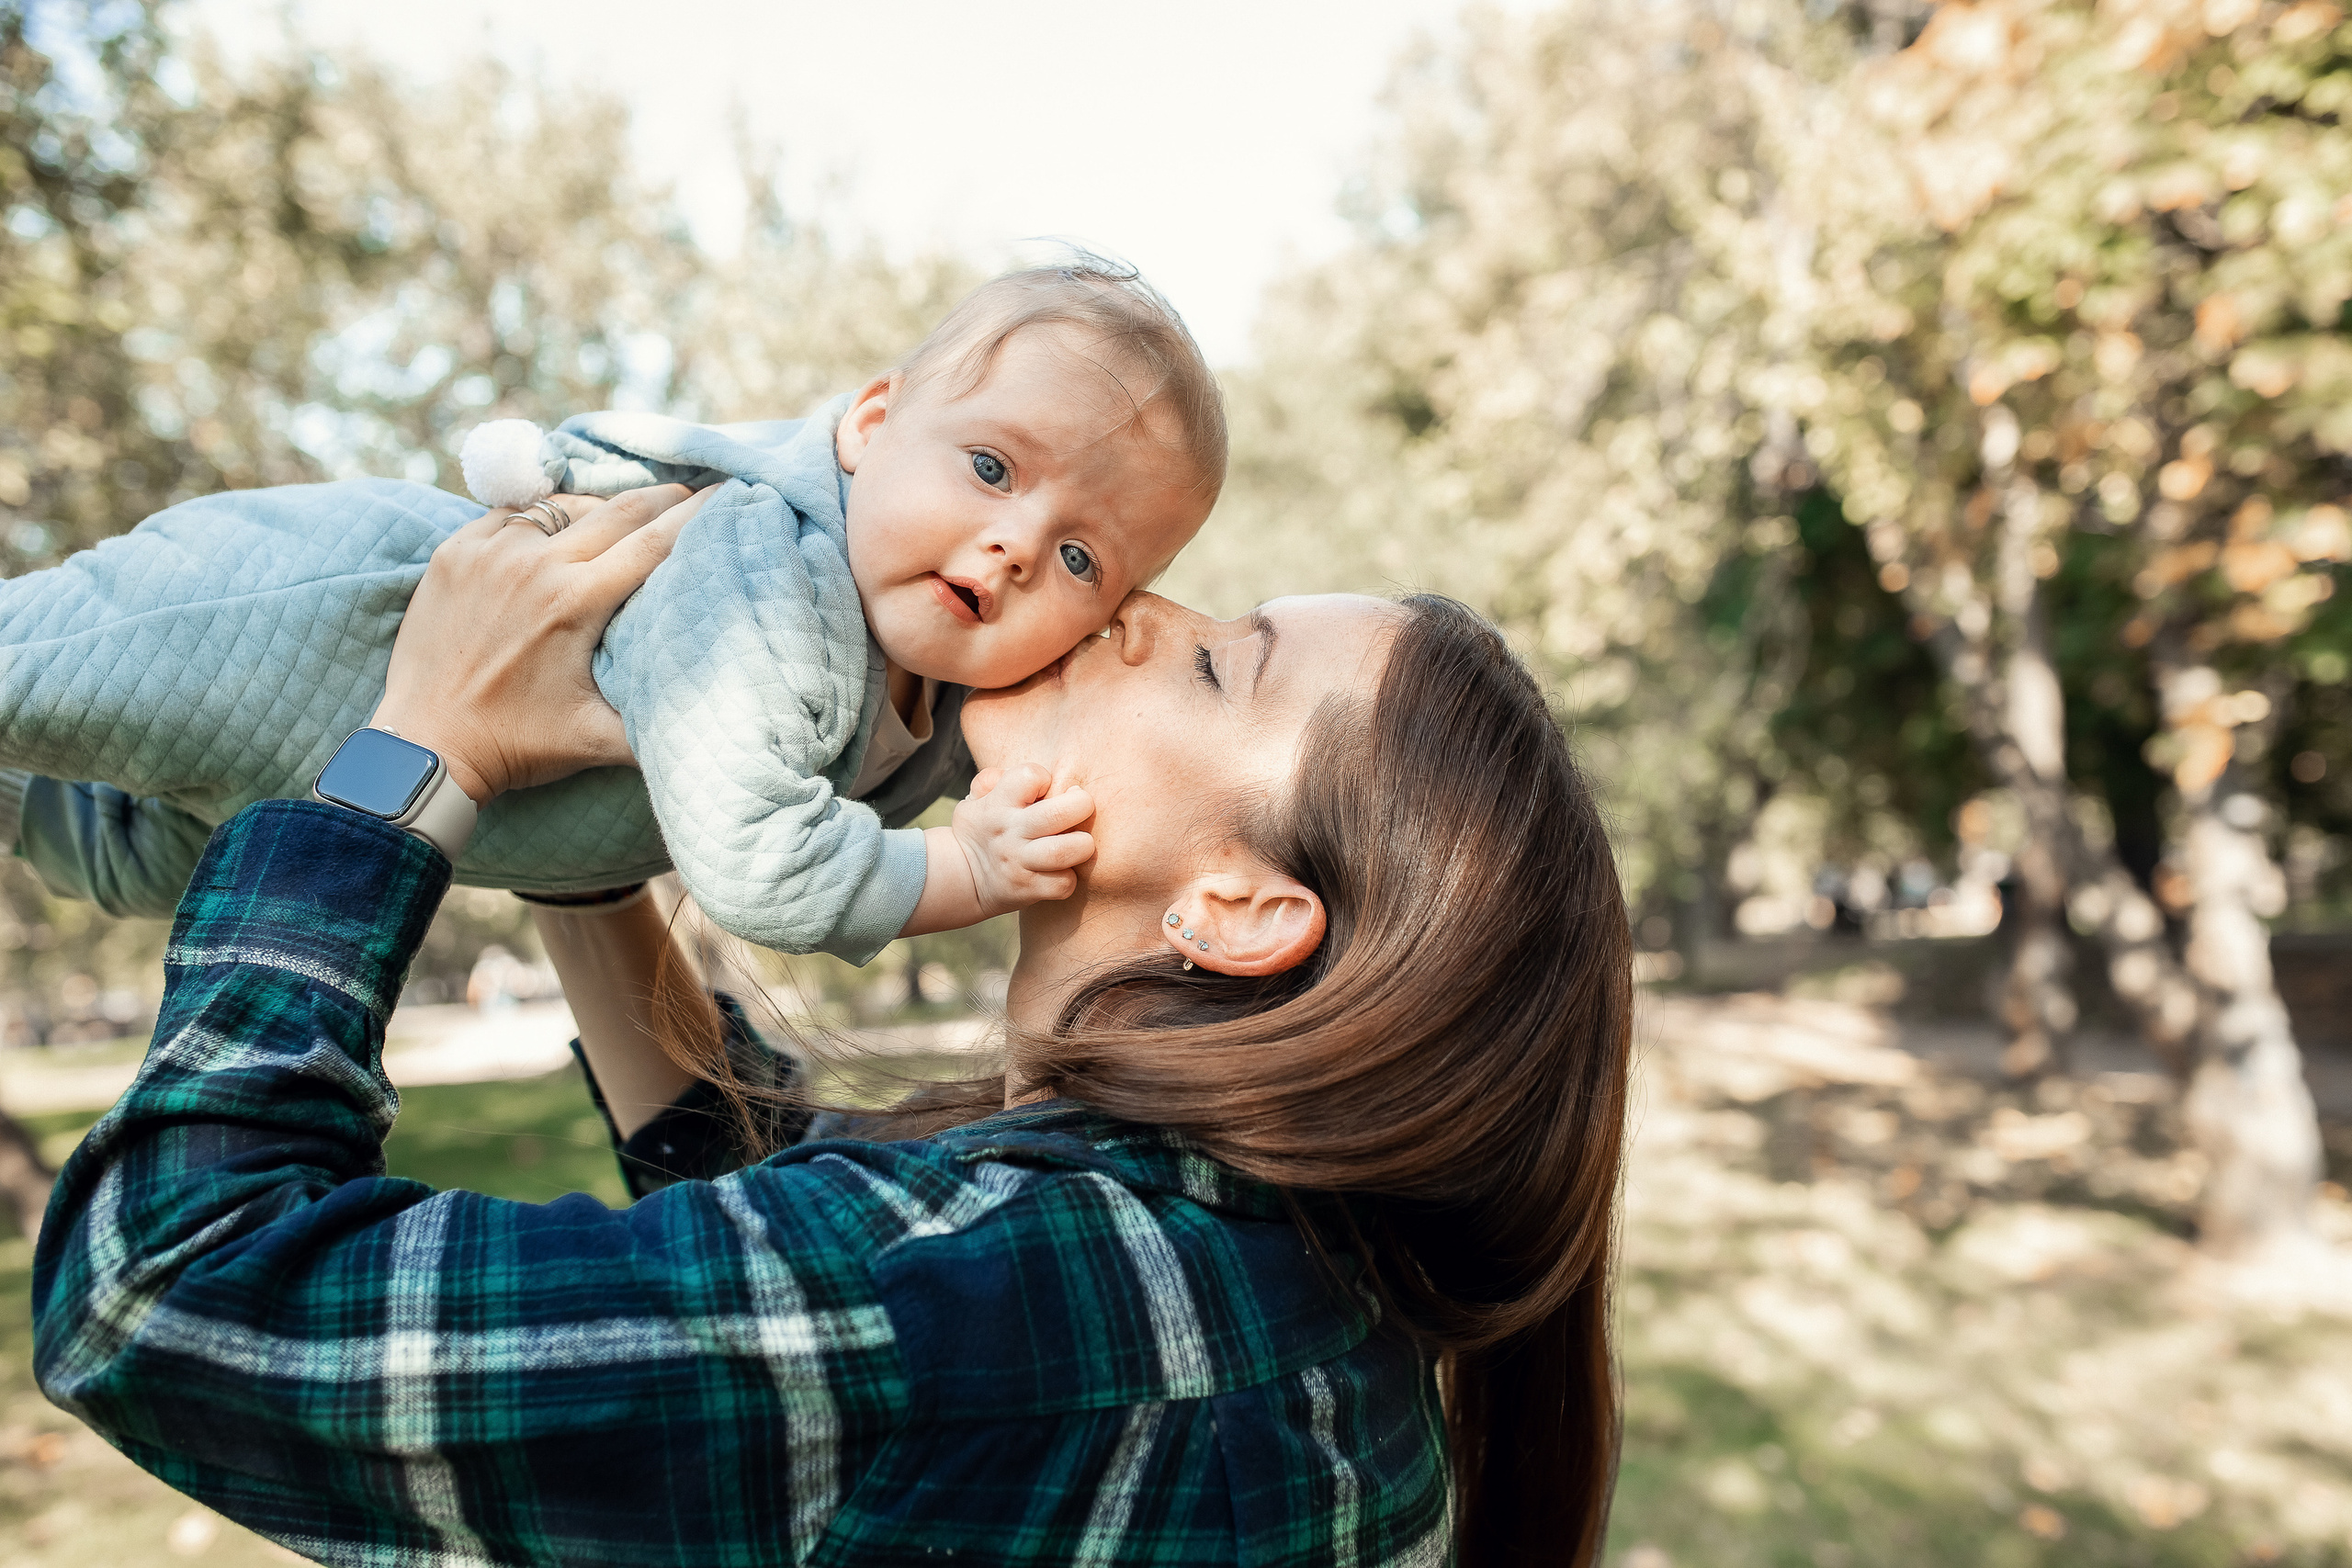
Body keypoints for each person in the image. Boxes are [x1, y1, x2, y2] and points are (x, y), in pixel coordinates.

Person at [31, 488, 1634, 1565]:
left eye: (1222, 667)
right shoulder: (1287, 1279)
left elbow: (167, 1290)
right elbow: (781, 1216)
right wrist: (593, 835)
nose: (1143, 607)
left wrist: (420, 743)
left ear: (1239, 908)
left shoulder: (993, 1300)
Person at [0, 258, 1220, 961]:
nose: (1016, 546)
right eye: (993, 468)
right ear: (871, 424)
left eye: (1081, 557)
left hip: (314, 784)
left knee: (109, 852)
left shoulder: (945, 706)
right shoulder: (781, 585)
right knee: (27, 674)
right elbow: (762, 868)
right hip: (292, 621)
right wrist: (971, 867)